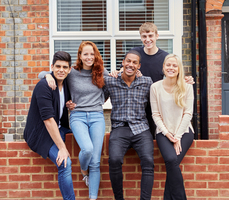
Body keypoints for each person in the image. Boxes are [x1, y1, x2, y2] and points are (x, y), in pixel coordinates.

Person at [38, 41, 108, 200]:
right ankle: (84, 171)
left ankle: (93, 197)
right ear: (80, 56)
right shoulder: (72, 73)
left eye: (92, 54)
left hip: (97, 116)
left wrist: (100, 100)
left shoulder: (102, 72)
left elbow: (112, 86)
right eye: (86, 54)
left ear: (96, 55)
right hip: (78, 116)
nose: (89, 57)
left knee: (96, 162)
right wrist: (48, 75)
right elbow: (42, 74)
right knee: (88, 149)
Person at [114, 22, 194, 137]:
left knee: (156, 138)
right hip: (138, 105)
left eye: (150, 35)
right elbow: (125, 69)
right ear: (141, 37)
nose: (147, 39)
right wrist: (116, 72)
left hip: (157, 105)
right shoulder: (135, 53)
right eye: (144, 36)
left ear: (157, 36)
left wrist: (185, 79)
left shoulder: (164, 57)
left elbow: (173, 74)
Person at [24, 51, 75, 200]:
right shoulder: (44, 86)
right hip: (40, 133)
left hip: (60, 128)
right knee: (65, 163)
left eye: (65, 67)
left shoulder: (66, 83)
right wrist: (62, 148)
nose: (61, 70)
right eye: (58, 66)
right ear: (52, 67)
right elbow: (48, 120)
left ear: (69, 69)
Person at [103, 50, 154, 200]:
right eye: (128, 61)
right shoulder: (111, 81)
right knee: (114, 160)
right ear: (123, 63)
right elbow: (96, 98)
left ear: (139, 66)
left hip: (141, 128)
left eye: (134, 62)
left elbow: (163, 94)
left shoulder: (146, 82)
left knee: (148, 161)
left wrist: (185, 80)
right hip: (120, 128)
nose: (130, 65)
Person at [150, 54, 194, 200]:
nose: (171, 68)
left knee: (172, 162)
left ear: (179, 69)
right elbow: (155, 114)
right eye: (168, 65)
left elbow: (188, 114)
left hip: (184, 131)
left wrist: (178, 137)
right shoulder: (155, 87)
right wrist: (167, 134)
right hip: (163, 132)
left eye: (175, 65)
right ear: (163, 67)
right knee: (170, 159)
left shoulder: (187, 87)